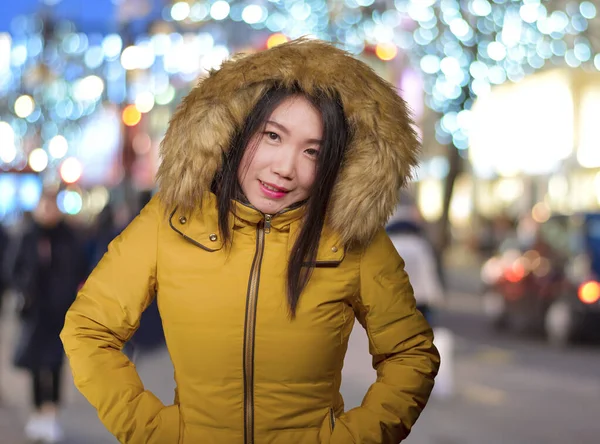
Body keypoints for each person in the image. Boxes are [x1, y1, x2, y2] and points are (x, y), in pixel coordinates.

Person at [60, 39, 440, 444]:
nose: (285, 168)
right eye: (273, 136)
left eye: (313, 152)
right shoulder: (169, 221)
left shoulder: (351, 239)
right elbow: (88, 329)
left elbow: (410, 354)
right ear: (237, 131)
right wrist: (155, 432)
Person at [12, 191, 86, 443]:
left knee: (55, 365)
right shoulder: (27, 236)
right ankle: (36, 413)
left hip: (60, 312)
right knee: (35, 365)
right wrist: (24, 289)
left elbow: (80, 268)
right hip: (35, 313)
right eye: (44, 206)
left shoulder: (69, 237)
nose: (47, 211)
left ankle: (51, 414)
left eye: (51, 206)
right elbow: (13, 268)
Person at [386, 204, 445, 324]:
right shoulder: (420, 245)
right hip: (419, 299)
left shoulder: (388, 245)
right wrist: (436, 296)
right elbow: (428, 272)